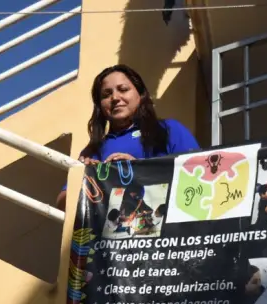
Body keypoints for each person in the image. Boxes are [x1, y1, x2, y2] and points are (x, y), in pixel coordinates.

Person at [56, 65, 200, 209]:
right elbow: (62, 203)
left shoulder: (169, 130)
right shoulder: (93, 150)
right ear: (100, 106)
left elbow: (198, 178)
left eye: (123, 89)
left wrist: (137, 171)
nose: (115, 98)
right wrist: (89, 179)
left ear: (141, 94)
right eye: (106, 95)